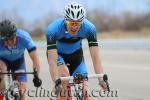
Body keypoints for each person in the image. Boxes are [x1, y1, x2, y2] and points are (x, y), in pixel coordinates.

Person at [46, 2, 108, 100]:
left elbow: (95, 57)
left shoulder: (89, 28)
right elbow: (52, 62)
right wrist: (56, 81)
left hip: (76, 56)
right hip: (58, 55)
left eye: (78, 23)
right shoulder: (53, 30)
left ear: (82, 22)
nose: (74, 26)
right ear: (66, 21)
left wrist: (101, 80)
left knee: (85, 91)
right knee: (64, 77)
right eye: (71, 23)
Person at [0, 19, 42, 100]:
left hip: (18, 61)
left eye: (12, 39)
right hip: (2, 60)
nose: (9, 43)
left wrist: (36, 76)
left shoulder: (24, 37)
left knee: (22, 91)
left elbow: (35, 59)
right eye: (6, 40)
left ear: (16, 35)